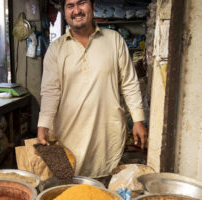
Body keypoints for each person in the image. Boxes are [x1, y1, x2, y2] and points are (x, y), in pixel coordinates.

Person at [37, 0, 147, 178]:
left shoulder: (114, 40)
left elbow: (129, 82)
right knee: (71, 187)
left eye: (81, 3)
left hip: (106, 135)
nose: (76, 11)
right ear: (64, 11)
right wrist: (43, 125)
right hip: (68, 134)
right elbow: (50, 91)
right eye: (70, 6)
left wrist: (138, 120)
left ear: (93, 6)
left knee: (104, 186)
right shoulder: (56, 49)